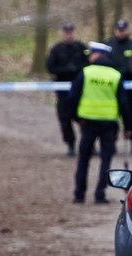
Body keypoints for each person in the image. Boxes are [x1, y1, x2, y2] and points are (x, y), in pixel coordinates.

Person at [68, 42, 130, 204]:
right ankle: (100, 194)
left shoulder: (86, 72)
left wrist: (76, 117)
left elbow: (72, 97)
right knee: (106, 160)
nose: (89, 56)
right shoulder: (115, 75)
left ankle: (79, 194)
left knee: (84, 159)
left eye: (91, 54)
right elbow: (124, 103)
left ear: (97, 55)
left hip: (87, 122)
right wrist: (129, 127)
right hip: (109, 124)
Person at [46, 23, 88, 156]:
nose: (68, 34)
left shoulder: (81, 47)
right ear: (62, 33)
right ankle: (70, 144)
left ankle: (88, 144)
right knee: (65, 119)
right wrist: (65, 70)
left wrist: (78, 69)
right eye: (66, 32)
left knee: (84, 119)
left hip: (81, 91)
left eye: (70, 32)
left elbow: (88, 63)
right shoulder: (56, 49)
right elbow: (50, 67)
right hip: (63, 91)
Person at [105, 19, 132, 154]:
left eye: (123, 29)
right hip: (112, 87)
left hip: (130, 88)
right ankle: (111, 143)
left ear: (127, 30)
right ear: (115, 30)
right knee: (112, 117)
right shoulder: (108, 45)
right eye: (119, 29)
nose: (121, 32)